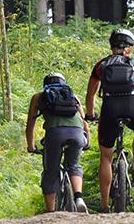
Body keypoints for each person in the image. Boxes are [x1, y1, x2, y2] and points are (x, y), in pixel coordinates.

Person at [85, 28, 134, 213]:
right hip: (132, 104)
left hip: (110, 107)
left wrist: (90, 114)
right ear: (129, 48)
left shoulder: (101, 65)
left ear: (111, 46)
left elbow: (91, 93)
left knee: (106, 157)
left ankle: (104, 205)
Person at [25, 73, 90, 213]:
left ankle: (51, 211)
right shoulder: (72, 95)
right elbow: (85, 123)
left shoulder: (39, 96)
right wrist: (87, 141)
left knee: (51, 171)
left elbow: (30, 124)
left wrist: (31, 146)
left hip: (55, 135)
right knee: (74, 165)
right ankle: (79, 198)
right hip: (77, 134)